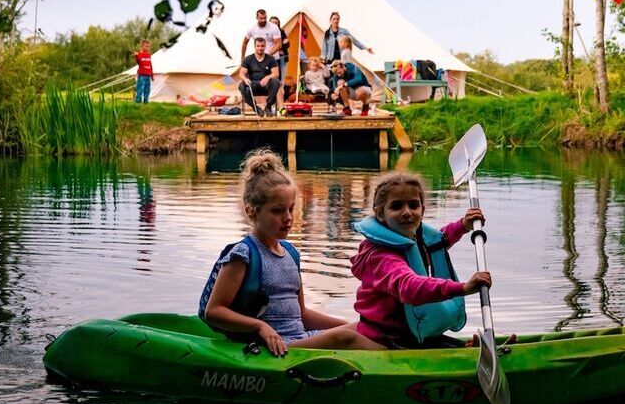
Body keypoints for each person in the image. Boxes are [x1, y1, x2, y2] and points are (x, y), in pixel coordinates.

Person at [198, 148, 386, 356]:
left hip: (300, 339)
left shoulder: (290, 253)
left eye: (291, 208)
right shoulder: (243, 255)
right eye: (277, 211)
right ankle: (398, 364)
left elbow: (301, 314)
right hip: (272, 347)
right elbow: (213, 312)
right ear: (251, 210)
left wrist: (349, 325)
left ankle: (408, 353)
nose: (288, 218)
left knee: (362, 327)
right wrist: (259, 326)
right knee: (345, 337)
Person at [351, 171, 492, 349]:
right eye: (396, 206)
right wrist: (462, 288)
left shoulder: (411, 238)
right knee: (460, 350)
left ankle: (472, 350)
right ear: (380, 214)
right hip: (385, 337)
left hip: (408, 332)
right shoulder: (381, 256)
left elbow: (435, 243)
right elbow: (409, 286)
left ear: (422, 210)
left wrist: (463, 225)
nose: (407, 212)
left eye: (413, 205)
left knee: (462, 347)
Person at [239, 37, 280, 116]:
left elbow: (276, 73)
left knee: (276, 82)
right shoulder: (248, 59)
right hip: (253, 85)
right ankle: (256, 108)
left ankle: (268, 106)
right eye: (258, 46)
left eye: (262, 46)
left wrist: (267, 77)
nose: (260, 48)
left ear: (265, 46)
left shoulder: (270, 59)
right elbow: (241, 74)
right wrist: (245, 79)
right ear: (254, 46)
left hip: (266, 85)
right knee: (241, 86)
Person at [133, 39, 154, 103]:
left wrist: (152, 75)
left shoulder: (149, 55)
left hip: (148, 75)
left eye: (149, 46)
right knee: (140, 89)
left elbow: (150, 65)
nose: (148, 48)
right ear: (141, 46)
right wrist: (137, 56)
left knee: (147, 89)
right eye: (146, 46)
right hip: (142, 75)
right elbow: (138, 62)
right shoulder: (139, 55)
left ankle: (146, 101)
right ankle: (138, 101)